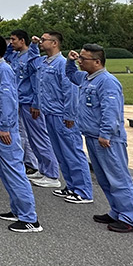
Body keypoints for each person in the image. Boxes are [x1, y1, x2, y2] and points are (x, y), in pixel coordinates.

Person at [66, 44, 133, 232]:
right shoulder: (87, 78)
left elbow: (111, 111)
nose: (80, 61)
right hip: (92, 136)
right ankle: (117, 211)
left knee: (118, 178)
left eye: (83, 59)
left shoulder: (107, 82)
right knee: (104, 179)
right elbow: (70, 75)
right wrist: (70, 61)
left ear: (97, 62)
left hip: (107, 139)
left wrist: (106, 133)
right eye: (80, 58)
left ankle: (130, 218)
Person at [0, 35, 42, 233]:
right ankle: (18, 210)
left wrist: (5, 127)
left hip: (3, 130)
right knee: (6, 172)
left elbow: (7, 101)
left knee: (14, 171)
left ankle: (30, 218)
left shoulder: (3, 70)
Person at [37, 31, 94, 203]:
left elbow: (70, 92)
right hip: (49, 112)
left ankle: (83, 191)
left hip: (62, 115)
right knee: (61, 154)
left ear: (54, 43)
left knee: (72, 152)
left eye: (44, 40)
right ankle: (71, 186)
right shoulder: (44, 63)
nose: (40, 42)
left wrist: (69, 114)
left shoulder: (61, 64)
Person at [7, 30, 61, 188]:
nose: (11, 43)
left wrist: (36, 103)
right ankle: (42, 169)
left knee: (40, 138)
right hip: (22, 100)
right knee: (32, 138)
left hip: (31, 102)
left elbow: (36, 82)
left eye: (14, 40)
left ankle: (52, 174)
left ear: (22, 41)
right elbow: (7, 55)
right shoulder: (16, 56)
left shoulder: (31, 57)